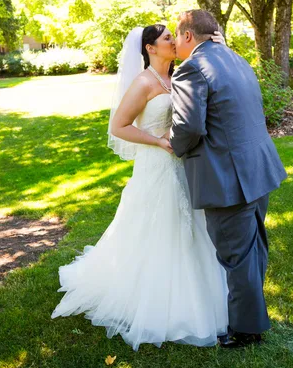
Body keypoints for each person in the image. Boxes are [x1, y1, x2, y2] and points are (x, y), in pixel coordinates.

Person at [51, 24, 229, 350]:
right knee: (160, 226)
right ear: (150, 48)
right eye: (166, 39)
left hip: (182, 166)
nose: (174, 41)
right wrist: (158, 141)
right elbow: (119, 126)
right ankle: (158, 299)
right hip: (157, 166)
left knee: (192, 226)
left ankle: (203, 292)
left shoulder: (178, 77)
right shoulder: (144, 82)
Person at [169, 10, 287, 348]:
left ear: (189, 36)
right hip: (257, 168)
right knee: (253, 248)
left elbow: (189, 127)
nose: (176, 44)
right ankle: (252, 313)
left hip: (227, 175)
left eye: (177, 37)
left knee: (236, 254)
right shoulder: (235, 58)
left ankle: (247, 329)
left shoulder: (192, 67)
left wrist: (174, 145)